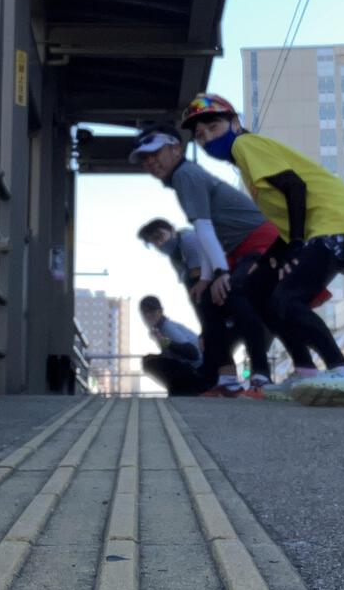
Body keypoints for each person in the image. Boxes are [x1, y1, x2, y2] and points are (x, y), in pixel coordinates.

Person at [179, 93, 344, 406]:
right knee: (255, 288)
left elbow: (295, 187)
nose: (208, 139)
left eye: (213, 128)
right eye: (201, 137)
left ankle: (342, 370)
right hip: (325, 226)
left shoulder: (246, 145)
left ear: (235, 123)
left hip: (339, 222)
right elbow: (288, 216)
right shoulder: (245, 161)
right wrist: (277, 256)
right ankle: (305, 371)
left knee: (288, 296)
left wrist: (296, 245)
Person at [130, 132, 310, 400]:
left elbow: (202, 228)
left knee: (237, 295)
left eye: (156, 153)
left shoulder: (185, 175)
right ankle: (227, 378)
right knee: (206, 299)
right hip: (236, 249)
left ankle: (260, 376)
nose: (151, 162)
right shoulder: (182, 180)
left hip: (260, 242)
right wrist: (206, 279)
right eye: (145, 159)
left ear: (176, 149)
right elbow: (206, 231)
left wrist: (220, 273)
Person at [137, 217, 264, 398]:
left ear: (172, 230)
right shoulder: (176, 255)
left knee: (241, 333)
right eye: (154, 242)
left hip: (228, 290)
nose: (160, 243)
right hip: (215, 296)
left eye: (160, 236)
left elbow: (199, 283)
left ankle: (254, 383)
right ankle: (227, 384)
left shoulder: (189, 240)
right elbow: (193, 287)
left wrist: (168, 340)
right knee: (222, 339)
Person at [138, 295, 204, 397]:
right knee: (148, 359)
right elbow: (170, 354)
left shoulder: (167, 327)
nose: (149, 315)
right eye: (145, 313)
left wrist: (164, 341)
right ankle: (177, 391)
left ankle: (182, 392)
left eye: (152, 311)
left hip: (198, 371)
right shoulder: (158, 329)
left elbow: (193, 353)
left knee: (149, 363)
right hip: (191, 369)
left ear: (161, 311)